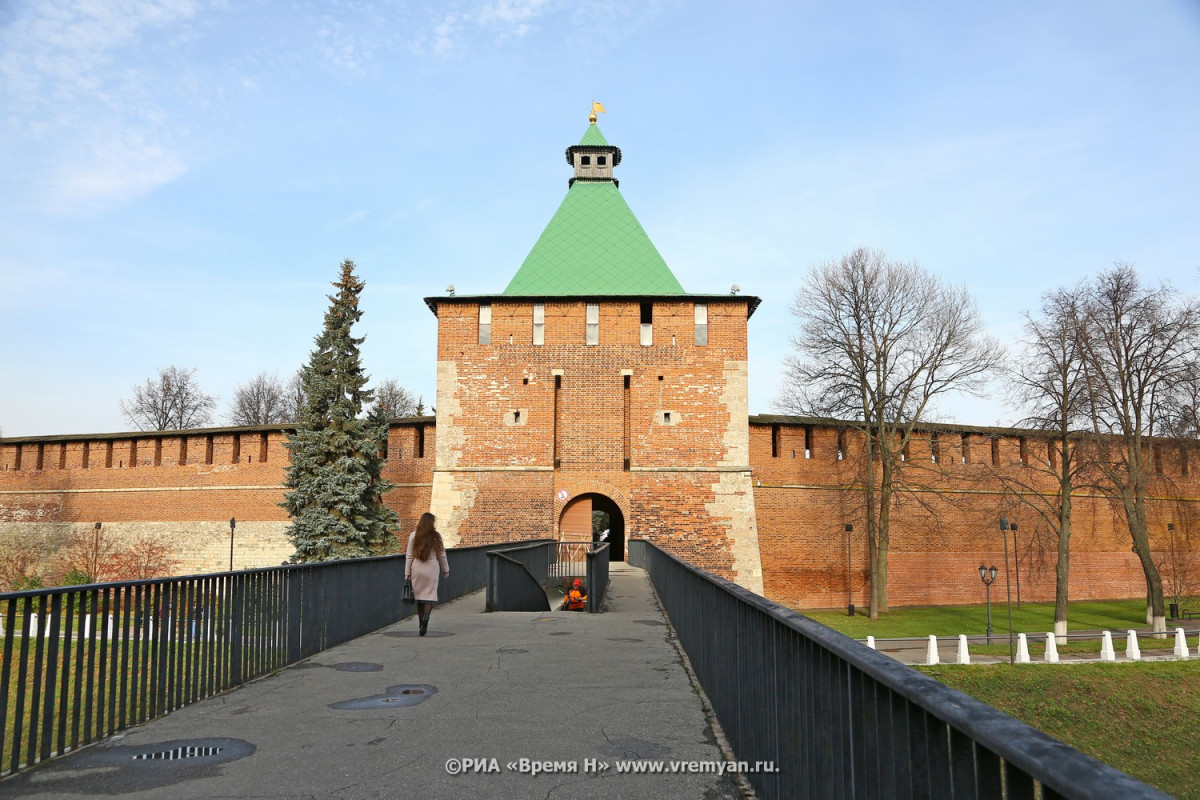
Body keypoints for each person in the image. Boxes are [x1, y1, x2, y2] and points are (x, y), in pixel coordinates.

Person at [405, 512, 450, 636]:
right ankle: (426, 618)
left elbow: (409, 556)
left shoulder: (414, 535)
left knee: (419, 598)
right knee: (429, 597)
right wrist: (446, 569)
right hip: (432, 568)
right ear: (432, 523)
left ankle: (420, 624)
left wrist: (407, 573)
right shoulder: (436, 536)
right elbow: (441, 554)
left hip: (417, 568)